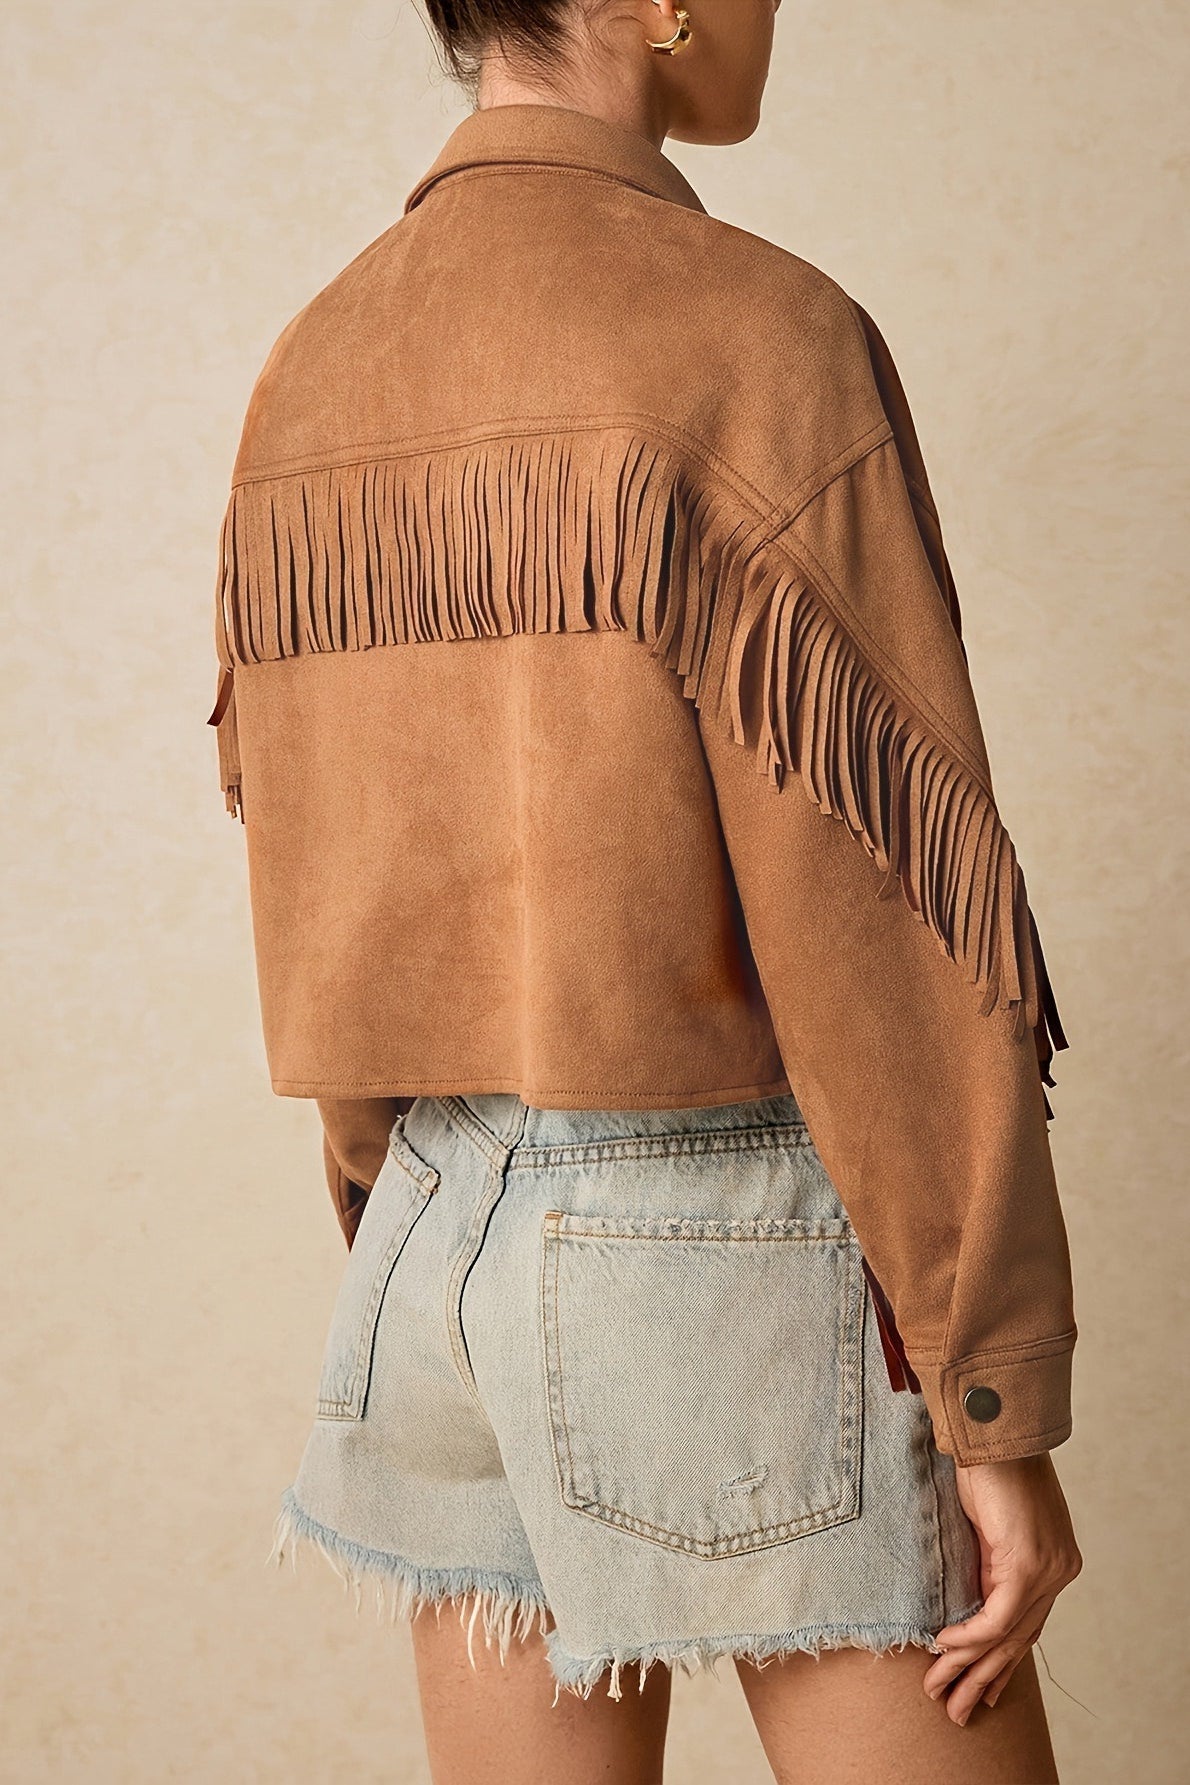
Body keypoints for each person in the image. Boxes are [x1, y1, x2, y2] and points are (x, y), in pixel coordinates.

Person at [208, 0, 1082, 1778]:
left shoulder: (318, 354)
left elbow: (307, 844)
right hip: (726, 1252)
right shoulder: (756, 332)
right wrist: (985, 1384)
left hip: (427, 1242)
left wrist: (399, 1203)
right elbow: (881, 899)